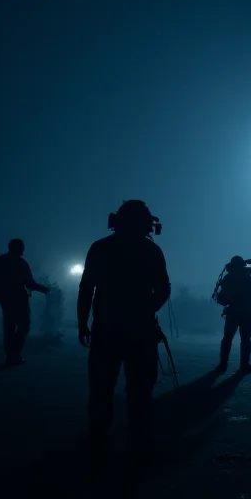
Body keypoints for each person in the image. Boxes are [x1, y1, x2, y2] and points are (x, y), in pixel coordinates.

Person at [77, 200, 171, 470]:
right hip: (139, 333)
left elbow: (86, 289)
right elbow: (163, 290)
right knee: (140, 392)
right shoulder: (151, 251)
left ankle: (98, 449)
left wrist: (83, 323)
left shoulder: (100, 247)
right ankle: (139, 449)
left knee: (101, 390)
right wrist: (144, 311)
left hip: (105, 329)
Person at [0, 238, 50, 365]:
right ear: (19, 248)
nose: (23, 250)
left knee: (9, 327)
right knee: (23, 325)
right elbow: (29, 282)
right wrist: (42, 288)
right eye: (22, 248)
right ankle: (14, 353)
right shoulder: (21, 263)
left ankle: (10, 355)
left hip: (6, 298)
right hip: (19, 298)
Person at [215, 255, 251, 373]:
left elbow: (221, 296)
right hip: (245, 310)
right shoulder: (246, 276)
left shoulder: (228, 277)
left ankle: (223, 364)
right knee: (245, 339)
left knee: (228, 338)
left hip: (233, 310)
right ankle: (244, 365)